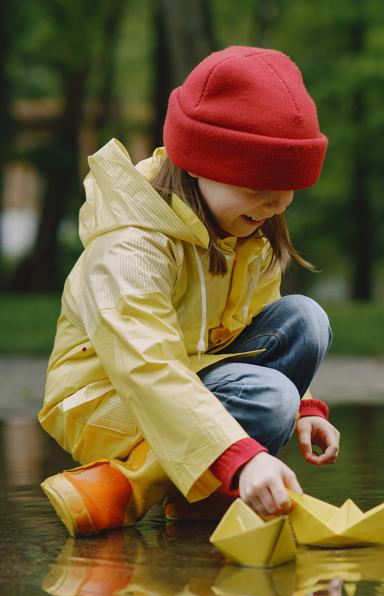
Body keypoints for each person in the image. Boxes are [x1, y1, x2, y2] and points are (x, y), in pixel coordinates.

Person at [38, 45, 340, 536]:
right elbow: (147, 367)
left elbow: (257, 322)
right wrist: (242, 457)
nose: (279, 203)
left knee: (304, 320)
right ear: (200, 162)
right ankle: (128, 485)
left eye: (290, 189)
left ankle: (200, 495)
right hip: (109, 397)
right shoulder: (130, 247)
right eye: (260, 184)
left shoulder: (248, 230)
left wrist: (306, 406)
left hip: (193, 376)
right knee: (268, 401)